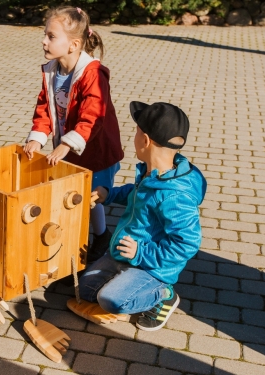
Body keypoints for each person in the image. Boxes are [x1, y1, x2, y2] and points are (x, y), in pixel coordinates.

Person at [75, 101, 206, 331]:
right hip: (127, 254)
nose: (133, 138)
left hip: (151, 265)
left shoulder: (175, 196)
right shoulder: (152, 172)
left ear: (145, 140)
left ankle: (163, 294)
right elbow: (138, 195)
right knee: (85, 290)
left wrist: (141, 253)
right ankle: (124, 278)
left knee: (113, 301)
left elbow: (187, 244)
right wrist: (110, 194)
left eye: (135, 133)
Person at [23, 6, 124, 264]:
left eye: (51, 36)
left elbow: (93, 115)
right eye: (45, 35)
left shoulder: (92, 74)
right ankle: (90, 240)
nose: (44, 41)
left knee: (87, 198)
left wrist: (67, 144)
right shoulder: (52, 71)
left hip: (96, 151)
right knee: (78, 196)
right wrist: (38, 137)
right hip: (72, 148)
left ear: (73, 44)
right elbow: (45, 107)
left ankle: (85, 248)